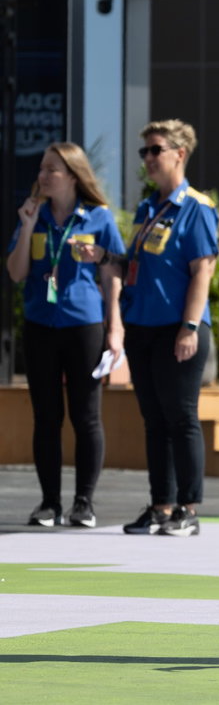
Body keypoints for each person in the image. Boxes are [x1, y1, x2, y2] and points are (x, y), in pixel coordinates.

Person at [6, 143, 126, 527]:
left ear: (73, 176)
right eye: (42, 169)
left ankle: (83, 503)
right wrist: (26, 228)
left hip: (83, 325)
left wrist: (115, 327)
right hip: (41, 324)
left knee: (86, 416)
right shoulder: (33, 216)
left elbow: (115, 274)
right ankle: (49, 503)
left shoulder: (98, 218)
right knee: (46, 416)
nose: (42, 176)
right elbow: (15, 272)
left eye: (52, 170)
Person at [118, 120, 219, 538]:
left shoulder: (196, 206)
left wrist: (189, 326)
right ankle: (161, 505)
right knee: (154, 419)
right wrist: (103, 257)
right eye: (144, 152)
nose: (148, 159)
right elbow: (134, 266)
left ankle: (188, 508)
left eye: (155, 150)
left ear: (179, 154)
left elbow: (203, 271)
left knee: (181, 417)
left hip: (178, 327)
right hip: (142, 325)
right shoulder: (147, 208)